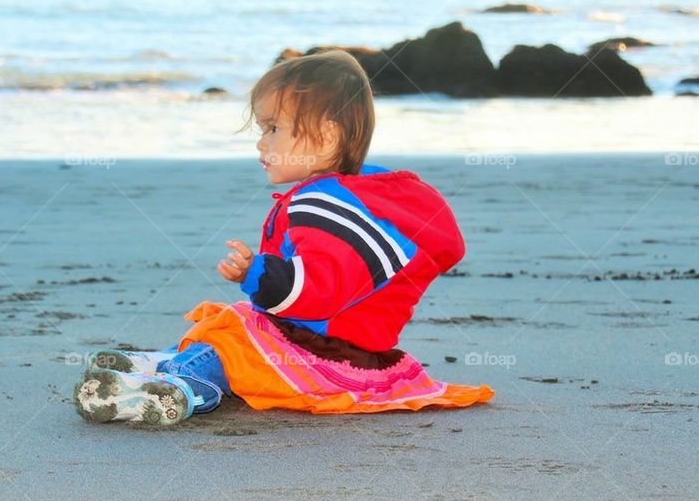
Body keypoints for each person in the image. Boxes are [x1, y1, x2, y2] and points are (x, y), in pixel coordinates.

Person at [73, 50, 495, 426]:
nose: (261, 141)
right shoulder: (353, 196)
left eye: (273, 128)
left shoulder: (327, 204)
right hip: (337, 346)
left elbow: (320, 292)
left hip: (323, 353)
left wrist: (260, 273)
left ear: (327, 135)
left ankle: (183, 388)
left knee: (236, 334)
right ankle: (158, 363)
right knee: (231, 322)